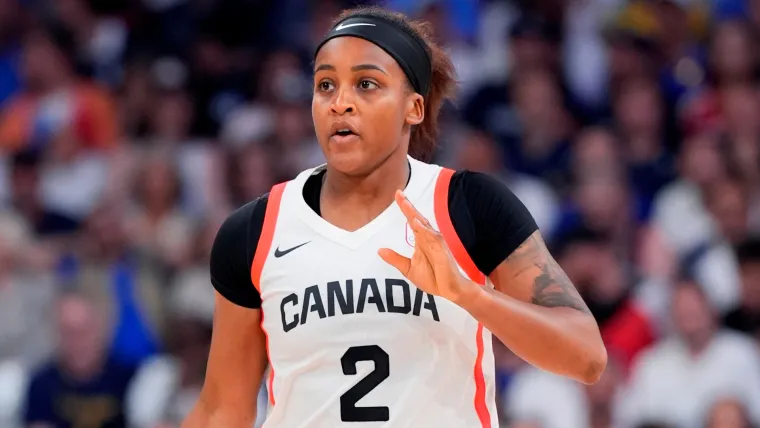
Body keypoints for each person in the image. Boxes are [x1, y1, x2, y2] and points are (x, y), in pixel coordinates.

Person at [182, 6, 606, 428]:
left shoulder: (468, 204)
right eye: (325, 85)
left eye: (366, 84)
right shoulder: (255, 231)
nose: (340, 103)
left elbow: (586, 358)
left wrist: (468, 294)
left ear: (414, 108)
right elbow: (224, 409)